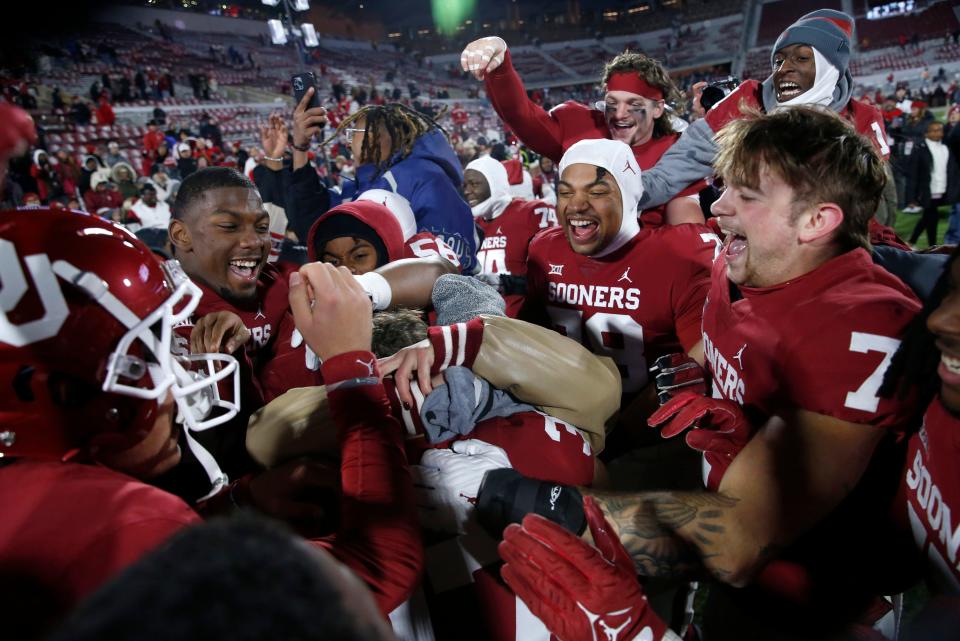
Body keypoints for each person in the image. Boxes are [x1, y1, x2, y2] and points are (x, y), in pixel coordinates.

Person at [479, 107, 923, 640]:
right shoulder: (738, 266)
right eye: (725, 186)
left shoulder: (861, 324)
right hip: (740, 579)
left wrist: (546, 508)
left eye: (747, 196)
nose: (719, 207)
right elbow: (709, 357)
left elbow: (735, 540)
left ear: (817, 221)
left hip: (818, 602)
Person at [0, 208, 235, 639]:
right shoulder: (133, 529)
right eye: (146, 354)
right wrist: (352, 378)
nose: (177, 374)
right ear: (63, 391)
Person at [634, 10, 891, 212]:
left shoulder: (862, 117)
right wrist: (625, 193)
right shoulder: (746, 100)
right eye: (778, 61)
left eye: (801, 58)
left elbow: (875, 204)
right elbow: (678, 166)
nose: (783, 69)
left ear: (831, 68)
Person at [461, 40, 704, 227]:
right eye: (612, 102)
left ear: (658, 108)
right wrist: (501, 66)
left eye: (633, 104)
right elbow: (521, 116)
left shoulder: (676, 151)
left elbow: (685, 236)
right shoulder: (582, 129)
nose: (620, 114)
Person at [289, 91, 479, 272]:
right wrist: (300, 146)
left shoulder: (423, 177)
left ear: (373, 136)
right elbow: (312, 221)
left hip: (413, 302)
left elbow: (448, 263)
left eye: (352, 132)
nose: (348, 142)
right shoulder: (366, 183)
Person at [464, 155, 556, 317]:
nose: (467, 191)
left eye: (474, 184)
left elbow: (557, 279)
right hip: (483, 325)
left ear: (495, 183)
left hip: (523, 325)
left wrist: (509, 283)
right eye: (465, 185)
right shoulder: (471, 224)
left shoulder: (532, 213)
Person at [906, 120, 960, 249]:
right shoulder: (920, 149)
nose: (938, 133)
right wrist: (911, 197)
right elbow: (913, 175)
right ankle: (932, 245)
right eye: (934, 130)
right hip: (927, 190)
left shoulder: (945, 148)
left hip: (941, 188)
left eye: (940, 130)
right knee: (932, 216)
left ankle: (913, 242)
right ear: (926, 133)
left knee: (928, 217)